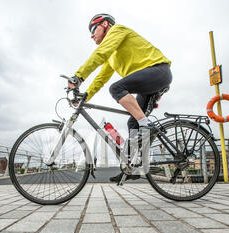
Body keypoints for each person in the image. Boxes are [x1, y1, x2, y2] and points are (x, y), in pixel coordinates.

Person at [68, 13, 172, 183]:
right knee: (133, 122)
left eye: (94, 29)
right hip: (149, 80)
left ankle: (148, 126)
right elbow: (101, 78)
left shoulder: (118, 30)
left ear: (106, 25)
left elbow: (100, 54)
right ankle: (133, 167)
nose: (92, 34)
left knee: (117, 88)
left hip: (158, 71)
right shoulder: (112, 55)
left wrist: (78, 77)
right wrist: (85, 96)